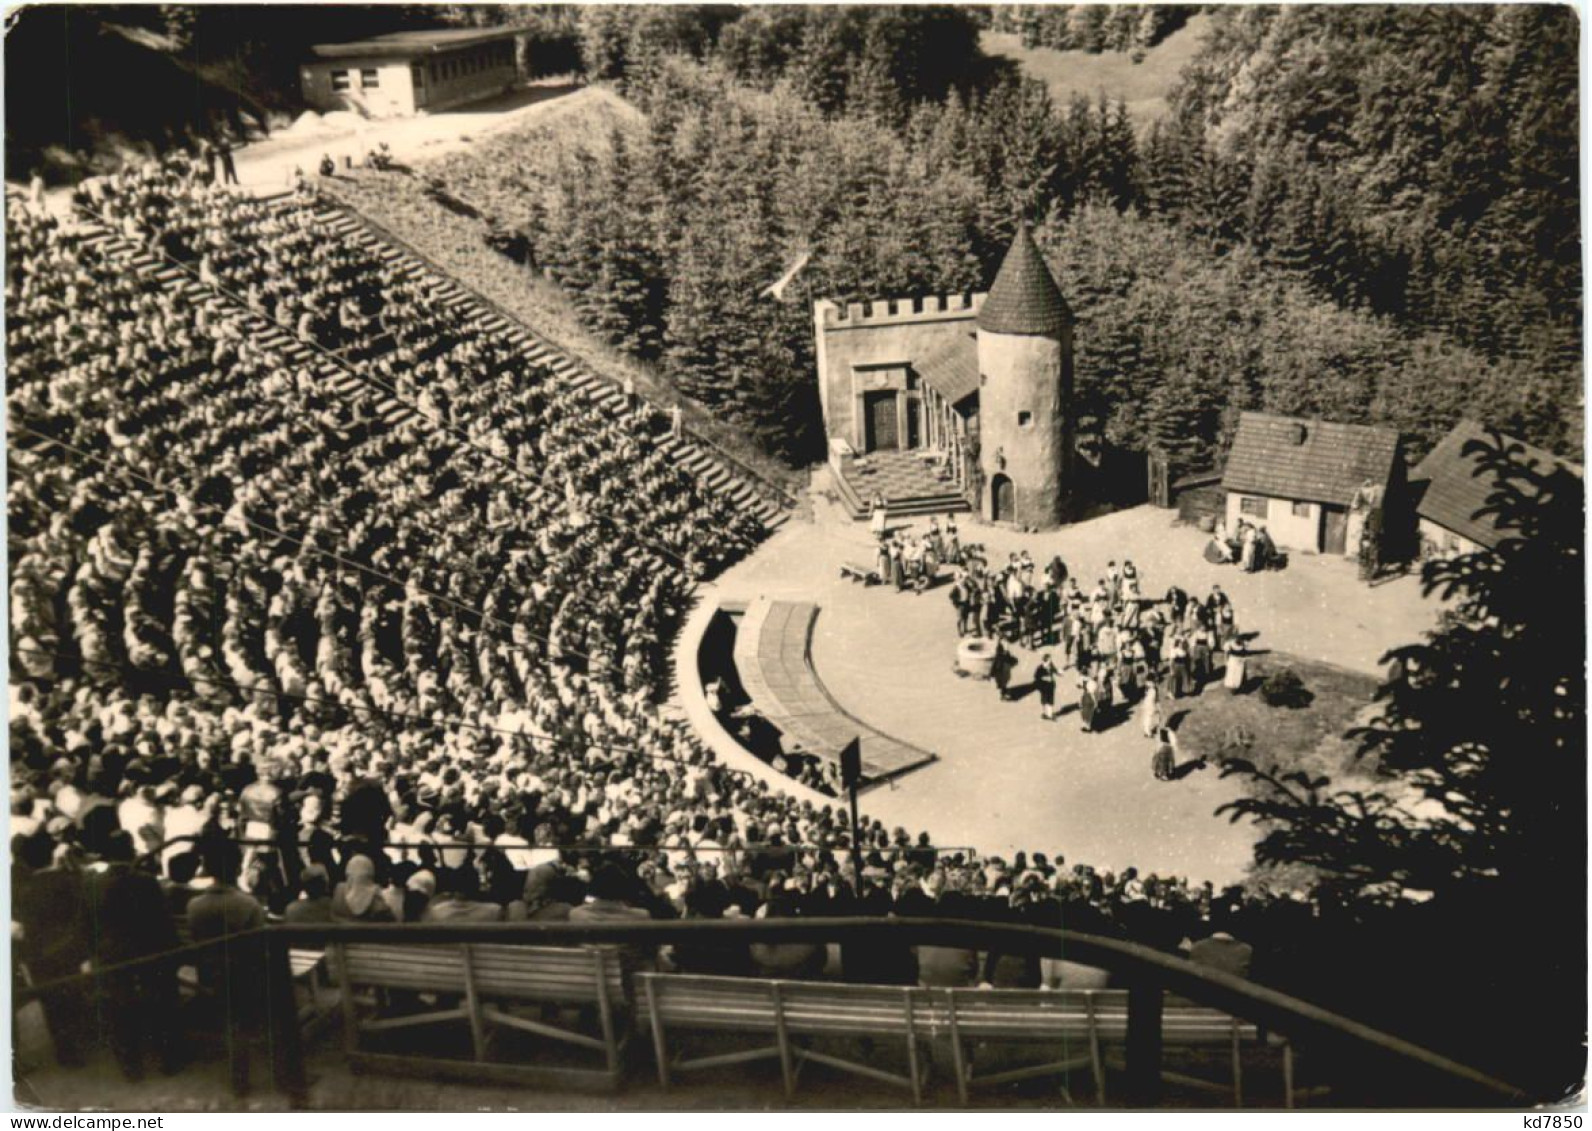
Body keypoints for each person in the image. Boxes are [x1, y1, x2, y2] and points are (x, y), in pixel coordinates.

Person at [1033, 654, 1059, 721]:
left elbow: (1055, 671)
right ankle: (1045, 713)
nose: (1050, 661)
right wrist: (1044, 678)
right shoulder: (1040, 668)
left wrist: (1058, 672)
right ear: (1045, 660)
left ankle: (1049, 714)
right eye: (1049, 660)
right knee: (1044, 700)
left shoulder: (1051, 666)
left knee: (1050, 700)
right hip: (1044, 686)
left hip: (1050, 685)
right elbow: (1036, 676)